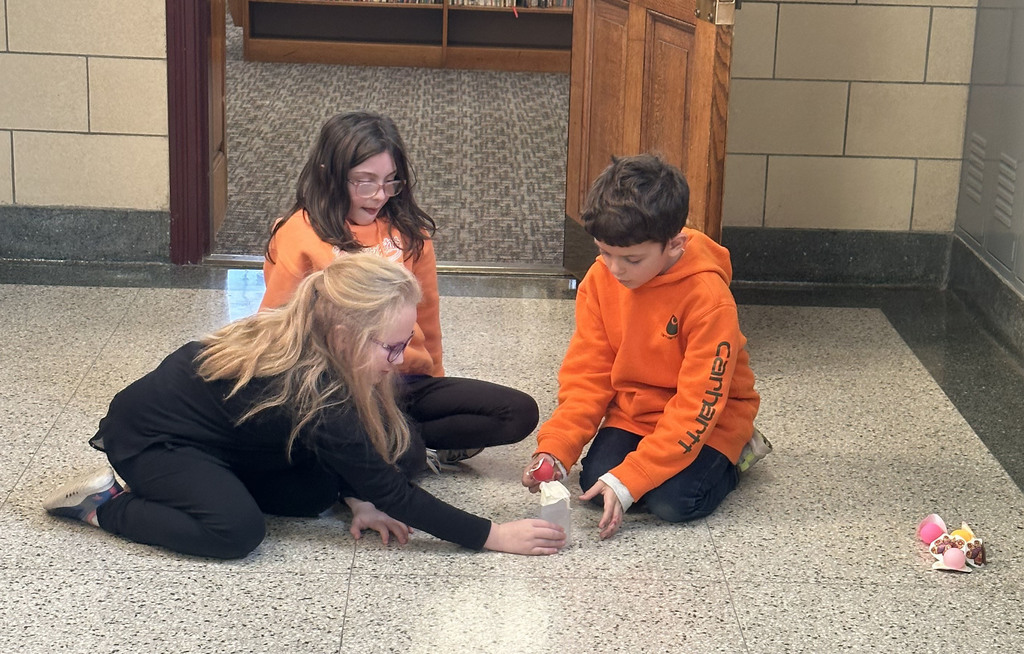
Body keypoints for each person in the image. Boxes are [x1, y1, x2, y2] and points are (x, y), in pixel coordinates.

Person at [43, 255, 565, 559]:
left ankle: (209, 486)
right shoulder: (316, 388)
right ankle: (104, 505)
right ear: (343, 336)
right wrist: (493, 535)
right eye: (390, 347)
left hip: (235, 440)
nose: (402, 359)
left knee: (321, 489)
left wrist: (356, 497)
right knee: (235, 532)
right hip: (155, 439)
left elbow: (367, 471)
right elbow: (393, 492)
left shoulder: (323, 338)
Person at [260, 111, 538, 469]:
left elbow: (427, 315)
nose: (379, 195)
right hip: (339, 389)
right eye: (365, 182)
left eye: (391, 182)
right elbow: (274, 329)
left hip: (404, 380)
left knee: (517, 413)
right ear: (329, 175)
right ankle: (395, 447)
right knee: (390, 454)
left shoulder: (410, 232)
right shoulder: (299, 232)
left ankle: (391, 444)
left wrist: (436, 379)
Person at [521, 154, 771, 540]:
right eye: (604, 252)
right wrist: (556, 448)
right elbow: (589, 374)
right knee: (594, 482)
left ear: (674, 245)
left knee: (674, 503)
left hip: (711, 420)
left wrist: (633, 478)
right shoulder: (600, 280)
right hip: (637, 410)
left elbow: (697, 407)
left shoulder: (709, 299)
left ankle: (740, 455)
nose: (614, 269)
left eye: (631, 259)